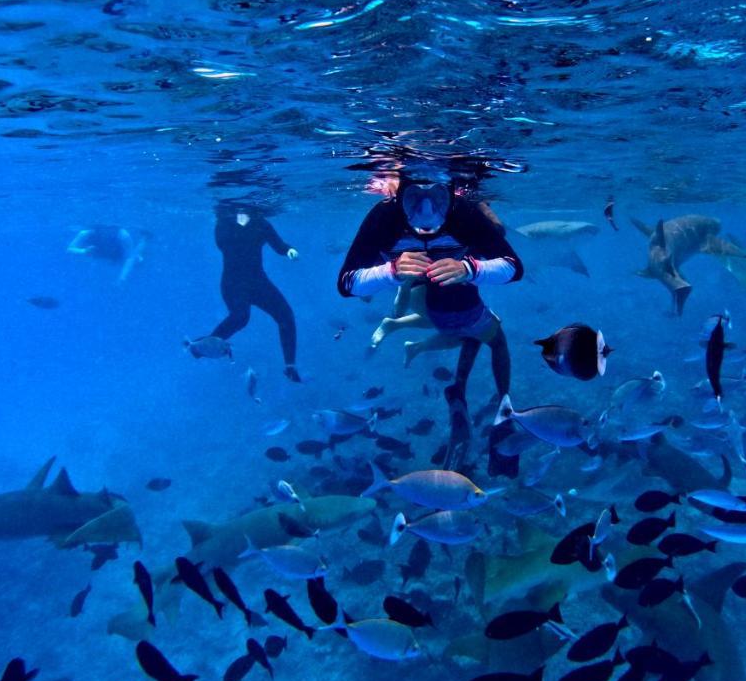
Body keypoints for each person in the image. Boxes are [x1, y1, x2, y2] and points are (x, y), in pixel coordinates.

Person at [337, 168, 523, 470]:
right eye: (414, 199)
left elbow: (349, 283)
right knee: (495, 339)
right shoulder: (458, 211)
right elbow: (346, 283)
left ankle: (458, 389)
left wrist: (392, 273)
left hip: (431, 302)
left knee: (474, 332)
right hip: (456, 303)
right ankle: (503, 402)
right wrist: (469, 269)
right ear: (398, 195)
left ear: (449, 193)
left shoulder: (398, 215)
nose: (426, 212)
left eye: (436, 197)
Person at [204, 202, 302, 381]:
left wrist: (289, 250)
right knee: (241, 317)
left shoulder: (261, 223)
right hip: (233, 282)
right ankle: (203, 346)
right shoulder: (225, 222)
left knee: (286, 315)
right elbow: (222, 243)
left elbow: (279, 244)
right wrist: (237, 221)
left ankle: (290, 366)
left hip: (257, 281)